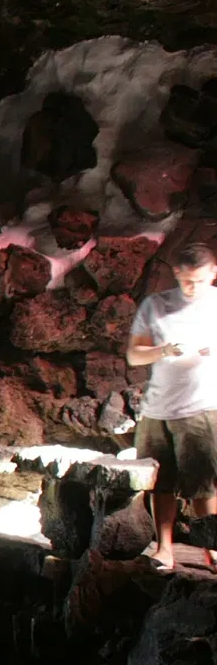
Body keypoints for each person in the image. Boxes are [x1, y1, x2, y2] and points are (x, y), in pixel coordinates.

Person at [126, 241, 217, 570]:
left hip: (201, 405)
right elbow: (134, 355)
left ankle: (214, 549)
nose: (194, 288)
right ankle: (164, 548)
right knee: (160, 483)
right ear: (177, 273)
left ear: (214, 273)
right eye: (188, 280)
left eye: (202, 280)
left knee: (204, 484)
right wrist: (163, 351)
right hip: (157, 408)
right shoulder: (156, 305)